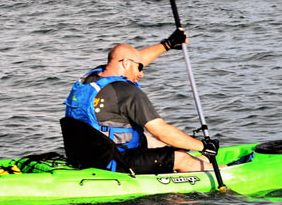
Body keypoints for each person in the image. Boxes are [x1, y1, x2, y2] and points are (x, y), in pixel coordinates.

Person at [64, 29, 219, 174]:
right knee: (180, 156)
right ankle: (224, 172)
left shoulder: (90, 79)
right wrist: (203, 146)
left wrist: (168, 44)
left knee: (153, 141)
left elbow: (131, 58)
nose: (142, 73)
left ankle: (203, 164)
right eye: (139, 68)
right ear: (125, 64)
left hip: (85, 155)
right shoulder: (127, 92)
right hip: (113, 162)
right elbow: (161, 130)